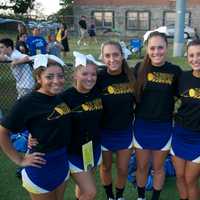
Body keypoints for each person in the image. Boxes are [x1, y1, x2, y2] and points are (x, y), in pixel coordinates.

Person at [0, 54, 72, 200]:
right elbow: (2, 132)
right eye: (49, 77)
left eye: (60, 76)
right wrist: (19, 160)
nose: (56, 81)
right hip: (41, 167)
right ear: (39, 79)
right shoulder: (27, 102)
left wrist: (32, 133)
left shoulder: (59, 97)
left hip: (62, 163)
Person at [133, 31, 182, 200]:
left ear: (166, 48)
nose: (156, 52)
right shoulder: (139, 68)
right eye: (152, 48)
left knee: (158, 168)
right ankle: (141, 197)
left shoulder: (175, 71)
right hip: (141, 127)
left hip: (163, 127)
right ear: (147, 49)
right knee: (141, 167)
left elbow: (184, 95)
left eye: (160, 47)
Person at [60, 51, 104, 200]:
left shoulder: (97, 92)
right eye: (85, 74)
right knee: (91, 192)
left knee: (83, 187)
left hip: (93, 148)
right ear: (75, 75)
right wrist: (32, 136)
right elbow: (46, 118)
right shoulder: (65, 97)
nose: (90, 78)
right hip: (74, 152)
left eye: (93, 74)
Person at [98, 41, 136, 200]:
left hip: (125, 132)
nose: (112, 59)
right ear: (102, 57)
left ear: (122, 55)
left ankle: (119, 196)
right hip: (104, 133)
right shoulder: (98, 77)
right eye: (107, 55)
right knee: (105, 167)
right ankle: (109, 196)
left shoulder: (131, 75)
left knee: (122, 169)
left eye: (115, 55)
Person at [171, 39, 200, 200]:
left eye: (199, 55)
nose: (195, 59)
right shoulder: (183, 77)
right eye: (191, 55)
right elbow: (169, 98)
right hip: (180, 133)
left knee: (191, 180)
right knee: (180, 176)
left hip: (198, 139)